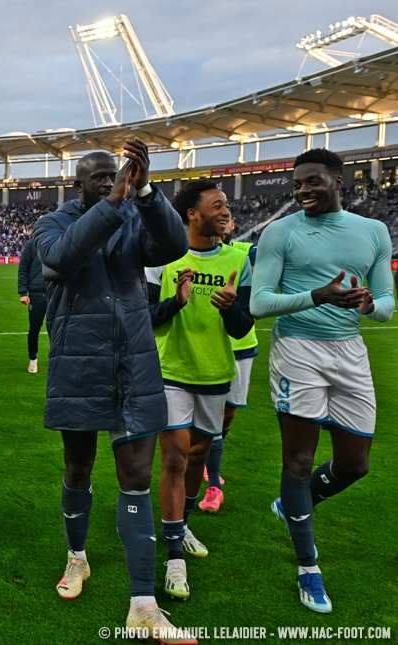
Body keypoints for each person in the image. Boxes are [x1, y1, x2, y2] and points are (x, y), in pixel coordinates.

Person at [33, 138, 195, 643]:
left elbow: (174, 245)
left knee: (136, 475)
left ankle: (142, 603)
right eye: (99, 176)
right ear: (78, 183)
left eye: (115, 174)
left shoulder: (133, 218)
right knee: (78, 467)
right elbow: (61, 259)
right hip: (78, 364)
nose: (110, 180)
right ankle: (77, 556)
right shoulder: (52, 223)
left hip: (133, 365)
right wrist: (114, 204)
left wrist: (147, 193)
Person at [250, 148, 394, 614]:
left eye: (312, 182)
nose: (302, 191)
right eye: (296, 185)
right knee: (299, 459)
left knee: (355, 465)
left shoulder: (372, 231)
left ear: (338, 180)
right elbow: (260, 303)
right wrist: (317, 296)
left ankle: (297, 501)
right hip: (298, 350)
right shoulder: (280, 232)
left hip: (349, 351)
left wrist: (368, 305)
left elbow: (388, 303)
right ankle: (308, 568)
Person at [146, 179, 253, 600]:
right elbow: (148, 318)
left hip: (215, 374)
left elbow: (244, 326)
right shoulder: (162, 257)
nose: (226, 211)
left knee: (197, 458)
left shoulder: (239, 258)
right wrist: (176, 300)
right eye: (217, 205)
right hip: (171, 370)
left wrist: (231, 309)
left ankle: (182, 524)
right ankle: (174, 557)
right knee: (173, 457)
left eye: (227, 205)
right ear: (192, 213)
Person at [200, 216, 259, 513]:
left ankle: (211, 457)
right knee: (209, 416)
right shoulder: (193, 255)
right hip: (208, 346)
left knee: (229, 411)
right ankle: (213, 484)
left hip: (241, 346)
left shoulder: (246, 252)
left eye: (227, 216)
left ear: (234, 225)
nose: (222, 220)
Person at [17, 230, 46, 373]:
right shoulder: (31, 244)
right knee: (34, 329)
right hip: (37, 293)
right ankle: (33, 359)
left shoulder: (60, 240)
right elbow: (23, 268)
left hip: (57, 292)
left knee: (60, 329)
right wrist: (23, 292)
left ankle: (59, 359)